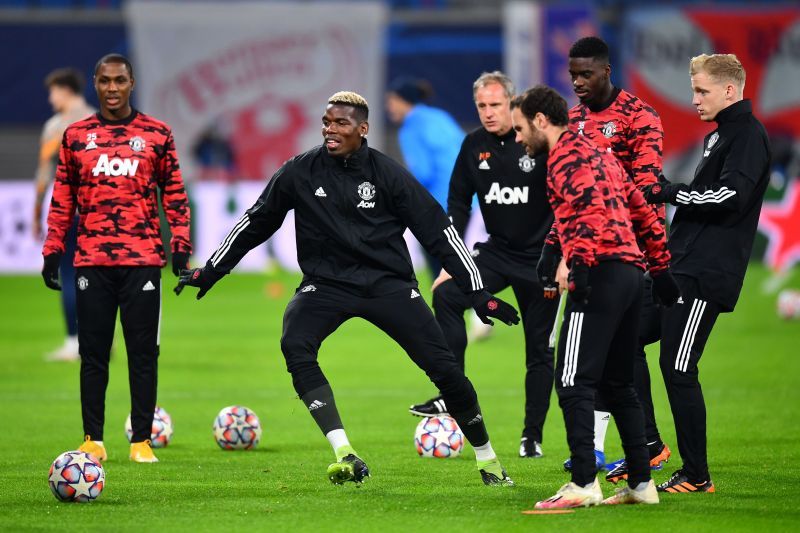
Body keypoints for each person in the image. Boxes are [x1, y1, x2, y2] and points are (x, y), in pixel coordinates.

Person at [176, 91, 520, 486]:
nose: (330, 130)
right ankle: (344, 451)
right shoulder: (300, 171)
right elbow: (256, 221)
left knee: (446, 371)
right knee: (295, 342)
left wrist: (478, 294)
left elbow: (439, 232)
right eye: (326, 122)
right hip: (327, 285)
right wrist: (213, 270)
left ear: (363, 129)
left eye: (340, 123)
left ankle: (487, 458)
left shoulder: (388, 175)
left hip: (388, 285)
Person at [511, 85, 680, 507]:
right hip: (630, 275)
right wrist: (660, 270)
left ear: (540, 121)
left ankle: (584, 483)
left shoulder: (563, 158)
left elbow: (586, 211)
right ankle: (642, 485)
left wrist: (579, 266)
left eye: (519, 128)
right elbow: (639, 208)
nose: (517, 139)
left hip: (600, 276)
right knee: (619, 383)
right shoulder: (599, 153)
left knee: (571, 379)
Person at [41, 54, 192, 464]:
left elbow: (175, 195)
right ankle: (93, 439)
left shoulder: (157, 134)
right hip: (91, 260)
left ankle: (140, 442)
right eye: (105, 81)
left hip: (143, 260)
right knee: (93, 354)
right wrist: (53, 249)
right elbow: (62, 199)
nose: (112, 88)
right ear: (94, 83)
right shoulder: (75, 136)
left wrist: (180, 244)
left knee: (144, 353)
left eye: (119, 81)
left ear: (132, 83)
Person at [406, 71, 559, 459]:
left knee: (539, 350)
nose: (489, 113)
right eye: (482, 106)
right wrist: (450, 260)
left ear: (512, 104)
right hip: (496, 253)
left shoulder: (537, 144)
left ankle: (531, 436)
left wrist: (562, 256)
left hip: (541, 259)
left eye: (496, 105)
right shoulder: (474, 145)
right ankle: (452, 395)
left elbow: (564, 202)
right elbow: (457, 204)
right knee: (446, 293)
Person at [640, 53, 770, 493]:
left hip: (705, 273)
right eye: (694, 90)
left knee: (677, 367)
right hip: (680, 267)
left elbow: (730, 196)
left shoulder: (748, 136)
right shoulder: (721, 136)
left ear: (730, 90)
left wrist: (670, 191)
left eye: (702, 91)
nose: (694, 99)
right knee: (621, 336)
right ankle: (650, 445)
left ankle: (697, 475)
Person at [561, 35, 672, 477]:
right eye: (572, 75)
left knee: (616, 351)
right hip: (591, 251)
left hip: (636, 252)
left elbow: (646, 186)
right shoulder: (573, 120)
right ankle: (642, 447)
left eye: (585, 74)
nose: (578, 83)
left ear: (607, 71)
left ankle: (637, 446)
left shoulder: (640, 116)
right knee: (615, 352)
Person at [33, 68, 95, 362]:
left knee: (69, 275)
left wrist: (36, 214)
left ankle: (74, 343)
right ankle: (99, 338)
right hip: (103, 212)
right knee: (101, 278)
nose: (50, 98)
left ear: (64, 90)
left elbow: (44, 174)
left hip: (70, 211)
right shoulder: (101, 120)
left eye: (52, 92)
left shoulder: (57, 126)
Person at [386, 77, 464, 280]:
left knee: (438, 263)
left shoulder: (410, 127)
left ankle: (454, 305)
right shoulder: (441, 117)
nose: (389, 107)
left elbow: (423, 173)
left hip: (438, 204)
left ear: (405, 101)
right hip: (466, 199)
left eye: (392, 100)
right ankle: (474, 303)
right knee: (458, 257)